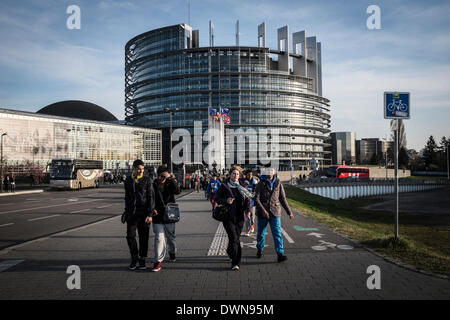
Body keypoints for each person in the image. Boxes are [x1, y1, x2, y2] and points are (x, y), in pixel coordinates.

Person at [215, 166, 252, 271]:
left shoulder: (243, 186)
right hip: (228, 217)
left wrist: (248, 210)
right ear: (230, 175)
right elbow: (217, 198)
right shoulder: (224, 186)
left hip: (240, 217)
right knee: (234, 239)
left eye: (237, 174)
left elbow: (248, 199)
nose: (235, 176)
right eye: (233, 174)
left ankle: (230, 251)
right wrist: (226, 200)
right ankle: (235, 263)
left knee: (235, 239)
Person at [254, 167, 294, 262]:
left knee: (277, 233)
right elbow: (256, 198)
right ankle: (260, 249)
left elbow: (283, 198)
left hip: (275, 212)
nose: (270, 172)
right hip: (263, 213)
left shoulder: (278, 183)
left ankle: (280, 254)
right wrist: (263, 210)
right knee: (261, 233)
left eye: (271, 170)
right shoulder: (260, 183)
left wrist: (289, 212)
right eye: (267, 170)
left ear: (274, 172)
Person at [124, 159, 154, 270]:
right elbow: (127, 196)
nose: (141, 171)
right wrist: (127, 210)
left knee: (143, 237)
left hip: (144, 213)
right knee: (130, 236)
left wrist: (150, 214)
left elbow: (151, 198)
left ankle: (142, 259)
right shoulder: (128, 180)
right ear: (134, 169)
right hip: (132, 214)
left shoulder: (147, 180)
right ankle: (134, 257)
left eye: (142, 169)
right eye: (139, 169)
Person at [151, 165, 181, 272]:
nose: (161, 179)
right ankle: (158, 262)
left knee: (171, 237)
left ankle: (172, 252)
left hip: (170, 215)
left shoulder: (170, 183)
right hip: (157, 215)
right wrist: (151, 209)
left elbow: (177, 191)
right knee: (159, 238)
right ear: (157, 175)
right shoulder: (153, 184)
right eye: (160, 176)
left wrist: (171, 178)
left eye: (164, 176)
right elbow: (150, 198)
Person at [243, 169, 258, 236]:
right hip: (246, 202)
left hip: (253, 202)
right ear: (246, 175)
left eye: (251, 174)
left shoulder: (255, 182)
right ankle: (247, 230)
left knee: (252, 217)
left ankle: (252, 225)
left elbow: (257, 192)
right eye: (248, 175)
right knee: (247, 216)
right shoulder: (243, 181)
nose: (250, 176)